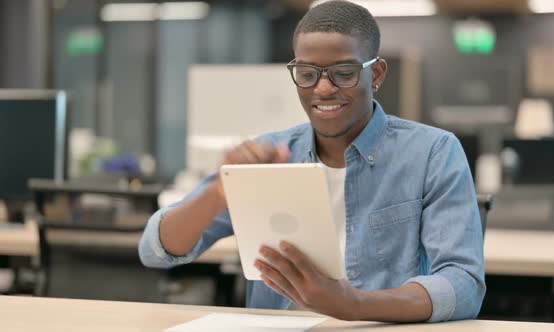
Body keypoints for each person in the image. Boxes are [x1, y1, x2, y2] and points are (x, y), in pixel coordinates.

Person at [139, 0, 485, 323]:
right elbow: (156, 249)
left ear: (376, 74)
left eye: (344, 73)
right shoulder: (268, 155)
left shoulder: (432, 153)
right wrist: (218, 192)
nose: (322, 89)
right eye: (307, 73)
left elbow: (463, 284)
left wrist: (353, 305)